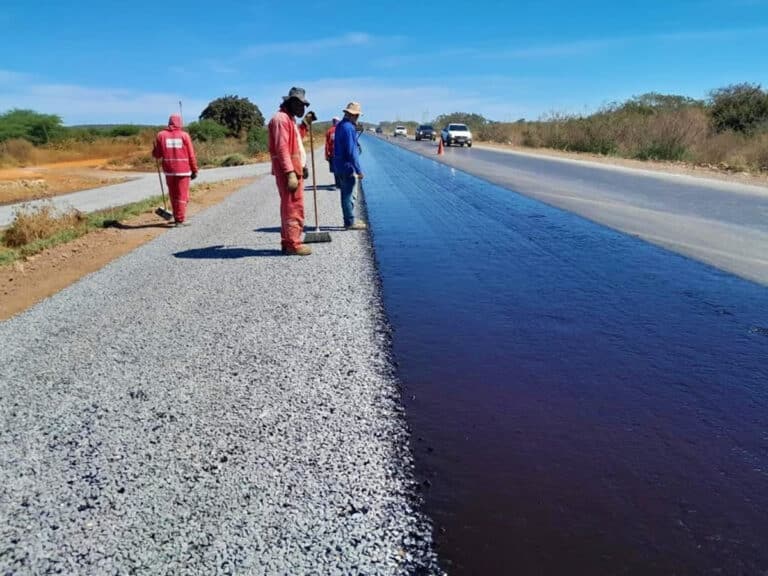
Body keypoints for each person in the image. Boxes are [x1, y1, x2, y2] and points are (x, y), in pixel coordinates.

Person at [268, 87, 313, 256]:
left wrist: (302, 166)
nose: (303, 109)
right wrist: (290, 173)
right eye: (300, 105)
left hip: (294, 169)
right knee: (293, 207)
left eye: (304, 106)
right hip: (289, 172)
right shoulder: (281, 119)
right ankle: (293, 244)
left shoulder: (289, 118)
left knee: (290, 206)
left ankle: (288, 242)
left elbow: (296, 143)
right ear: (291, 103)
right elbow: (282, 149)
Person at [152, 114, 198, 226]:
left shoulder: (161, 135)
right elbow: (191, 155)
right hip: (183, 170)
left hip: (169, 171)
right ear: (179, 123)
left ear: (169, 122)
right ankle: (179, 220)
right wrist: (194, 169)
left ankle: (177, 216)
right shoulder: (184, 135)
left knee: (173, 195)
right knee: (182, 196)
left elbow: (157, 155)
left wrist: (154, 150)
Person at [333, 102, 367, 230]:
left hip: (338, 165)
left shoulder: (340, 126)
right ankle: (350, 222)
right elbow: (352, 152)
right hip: (347, 166)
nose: (357, 118)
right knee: (348, 195)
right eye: (356, 115)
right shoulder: (348, 128)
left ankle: (348, 219)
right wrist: (359, 170)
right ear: (351, 115)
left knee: (345, 194)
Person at [325, 117, 341, 189]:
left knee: (336, 169)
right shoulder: (331, 131)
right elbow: (327, 144)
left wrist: (326, 154)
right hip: (335, 153)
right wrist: (327, 154)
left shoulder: (330, 131)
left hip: (335, 153)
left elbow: (327, 144)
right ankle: (338, 184)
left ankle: (338, 184)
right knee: (337, 169)